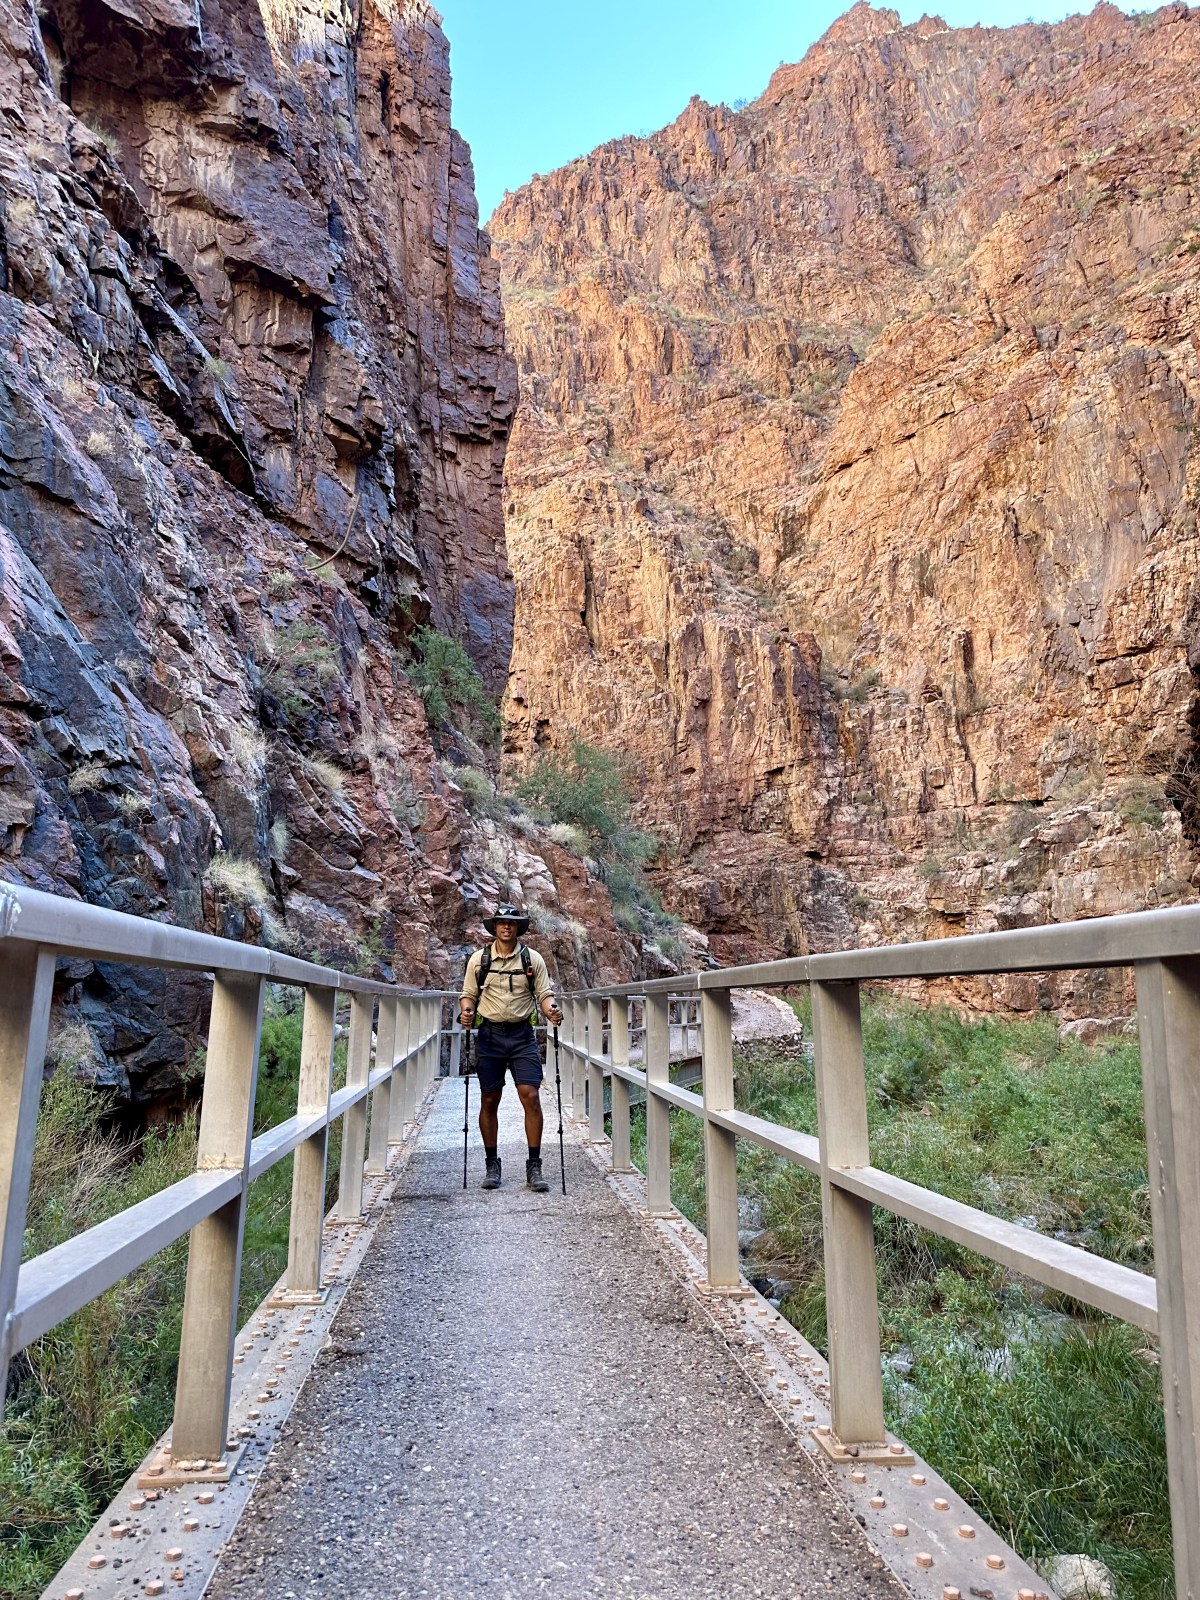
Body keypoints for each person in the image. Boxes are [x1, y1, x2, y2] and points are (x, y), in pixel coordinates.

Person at [459, 904, 563, 1193]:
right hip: (490, 1035)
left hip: (522, 1035)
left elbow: (544, 994)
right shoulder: (479, 961)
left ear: (518, 927)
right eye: (502, 923)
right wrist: (466, 1013)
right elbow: (468, 995)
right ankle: (492, 1164)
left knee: (530, 1096)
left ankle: (534, 1166)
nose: (507, 927)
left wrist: (551, 1011)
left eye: (512, 923)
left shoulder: (533, 959)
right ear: (495, 927)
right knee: (490, 1099)